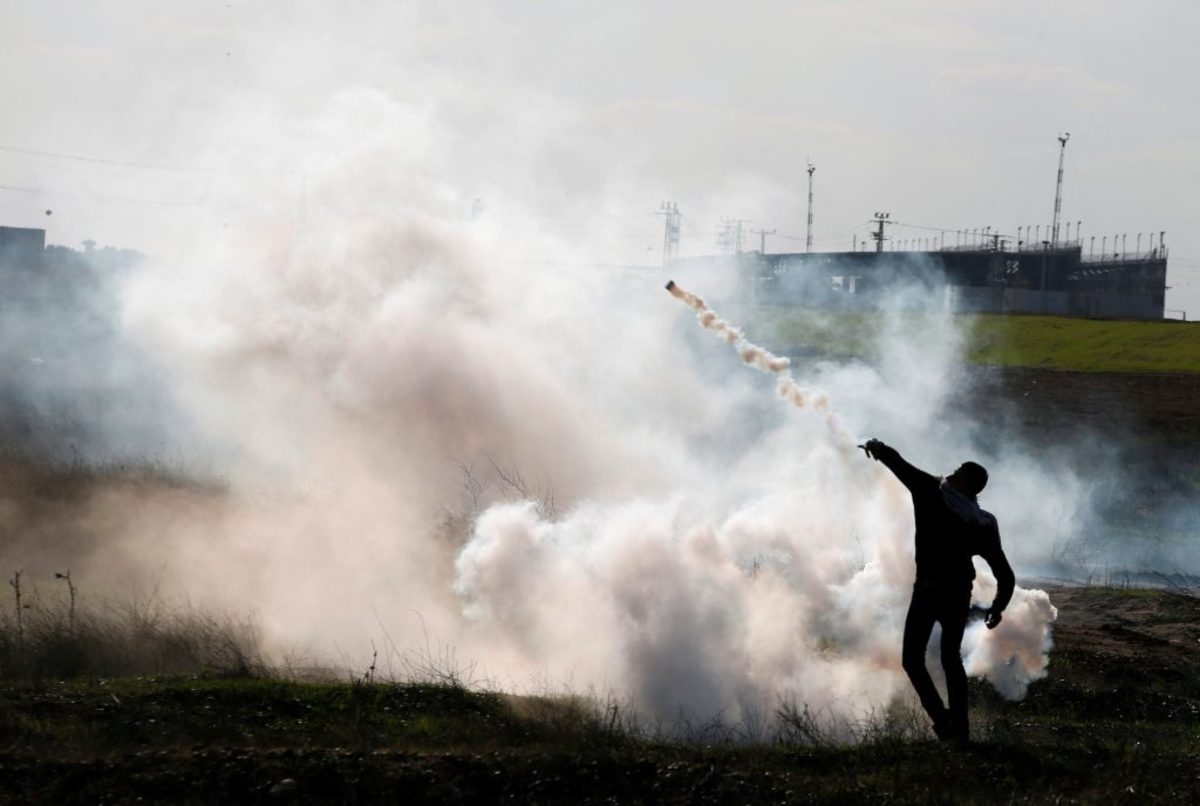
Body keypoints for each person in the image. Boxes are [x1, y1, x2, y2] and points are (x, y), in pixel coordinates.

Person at [860, 438, 1015, 742]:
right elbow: (1005, 574)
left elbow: (899, 464)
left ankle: (944, 723)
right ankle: (958, 727)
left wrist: (877, 447)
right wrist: (998, 607)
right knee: (950, 659)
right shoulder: (982, 523)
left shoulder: (932, 491)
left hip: (928, 593)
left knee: (912, 660)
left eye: (957, 472)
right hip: (958, 596)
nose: (951, 474)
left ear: (964, 482)